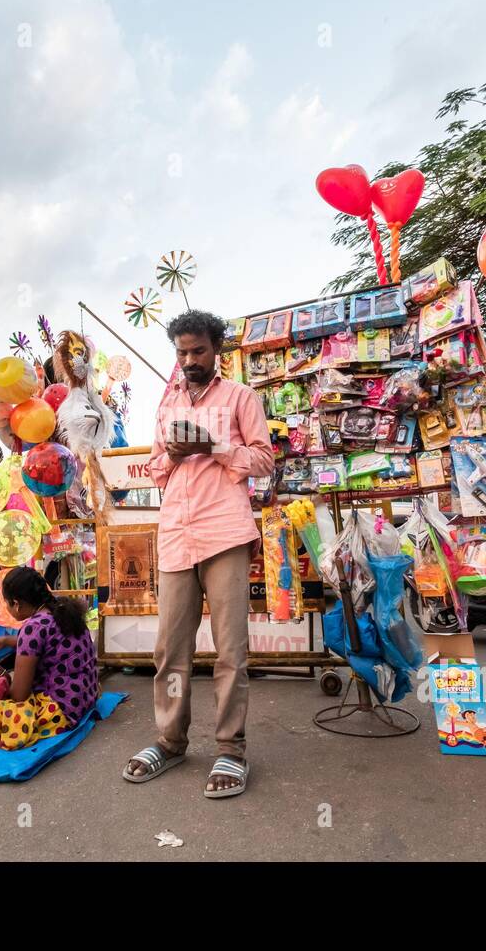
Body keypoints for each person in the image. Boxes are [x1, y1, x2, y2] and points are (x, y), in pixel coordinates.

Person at [124, 310, 274, 799]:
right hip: (175, 535)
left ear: (216, 350)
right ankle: (170, 741)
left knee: (231, 650)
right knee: (170, 650)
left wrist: (214, 446)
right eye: (182, 353)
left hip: (225, 532)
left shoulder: (241, 398)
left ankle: (231, 748)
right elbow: (153, 469)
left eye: (198, 351)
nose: (189, 360)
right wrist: (173, 453)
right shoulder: (167, 402)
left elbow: (264, 461)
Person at [0, 566, 97, 749]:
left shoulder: (33, 627)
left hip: (62, 710)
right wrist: (8, 641)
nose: (6, 608)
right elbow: (51, 642)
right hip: (86, 694)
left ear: (16, 603)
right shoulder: (61, 609)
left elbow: (19, 696)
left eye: (6, 603)